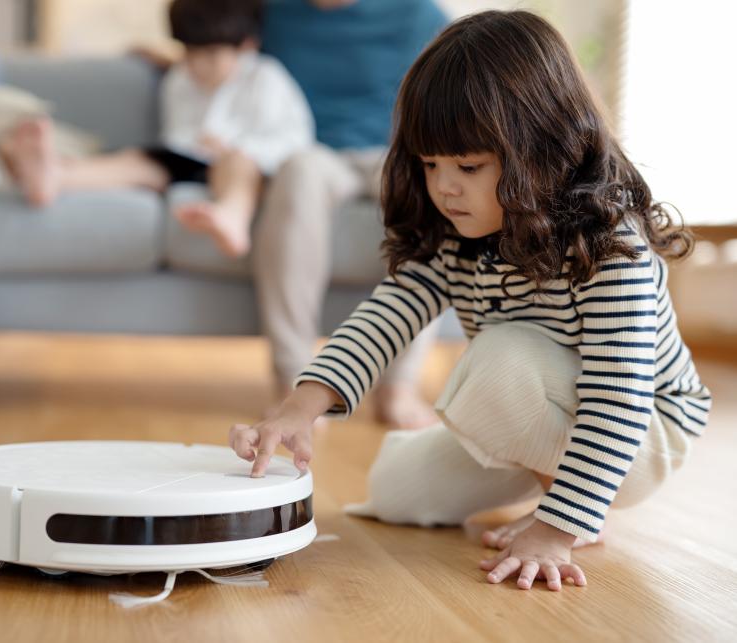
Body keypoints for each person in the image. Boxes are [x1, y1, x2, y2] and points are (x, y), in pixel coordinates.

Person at [228, 10, 711, 591]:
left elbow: (618, 398)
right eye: (431, 164)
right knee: (396, 490)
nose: (444, 186)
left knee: (496, 360)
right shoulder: (457, 236)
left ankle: (576, 505)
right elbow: (386, 316)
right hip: (540, 421)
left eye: (468, 166)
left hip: (642, 432)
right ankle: (552, 487)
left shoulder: (611, 249)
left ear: (543, 147)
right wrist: (300, 406)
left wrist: (557, 529)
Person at [253, 0, 449, 427]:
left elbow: (458, 81)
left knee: (437, 193)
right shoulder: (272, 12)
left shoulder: (417, 15)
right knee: (297, 172)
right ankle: (294, 385)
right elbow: (233, 59)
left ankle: (400, 387)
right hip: (314, 153)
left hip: (396, 153)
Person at [3, 0, 314, 259]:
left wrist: (233, 145)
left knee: (238, 162)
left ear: (246, 46)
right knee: (138, 161)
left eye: (210, 56)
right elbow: (176, 133)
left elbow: (295, 138)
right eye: (189, 53)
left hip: (245, 165)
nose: (197, 66)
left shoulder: (266, 78)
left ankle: (232, 216)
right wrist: (196, 144)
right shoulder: (180, 78)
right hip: (190, 161)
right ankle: (53, 175)